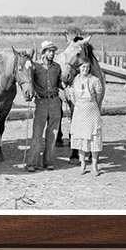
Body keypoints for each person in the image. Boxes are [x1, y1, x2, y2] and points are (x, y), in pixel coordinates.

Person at [27, 40, 65, 172]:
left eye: (53, 51)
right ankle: (32, 162)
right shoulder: (35, 66)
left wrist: (64, 84)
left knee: (53, 133)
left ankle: (48, 161)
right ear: (43, 52)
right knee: (37, 133)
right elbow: (28, 80)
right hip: (41, 102)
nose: (52, 53)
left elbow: (60, 82)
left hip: (55, 101)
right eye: (49, 51)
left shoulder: (57, 67)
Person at [69, 59, 104, 176]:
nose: (85, 69)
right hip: (79, 111)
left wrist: (91, 104)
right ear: (79, 67)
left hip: (92, 110)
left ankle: (94, 166)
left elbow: (99, 95)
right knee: (80, 137)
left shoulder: (94, 80)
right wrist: (79, 104)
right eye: (83, 67)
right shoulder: (75, 80)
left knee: (94, 138)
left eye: (87, 67)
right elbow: (72, 95)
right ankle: (82, 163)